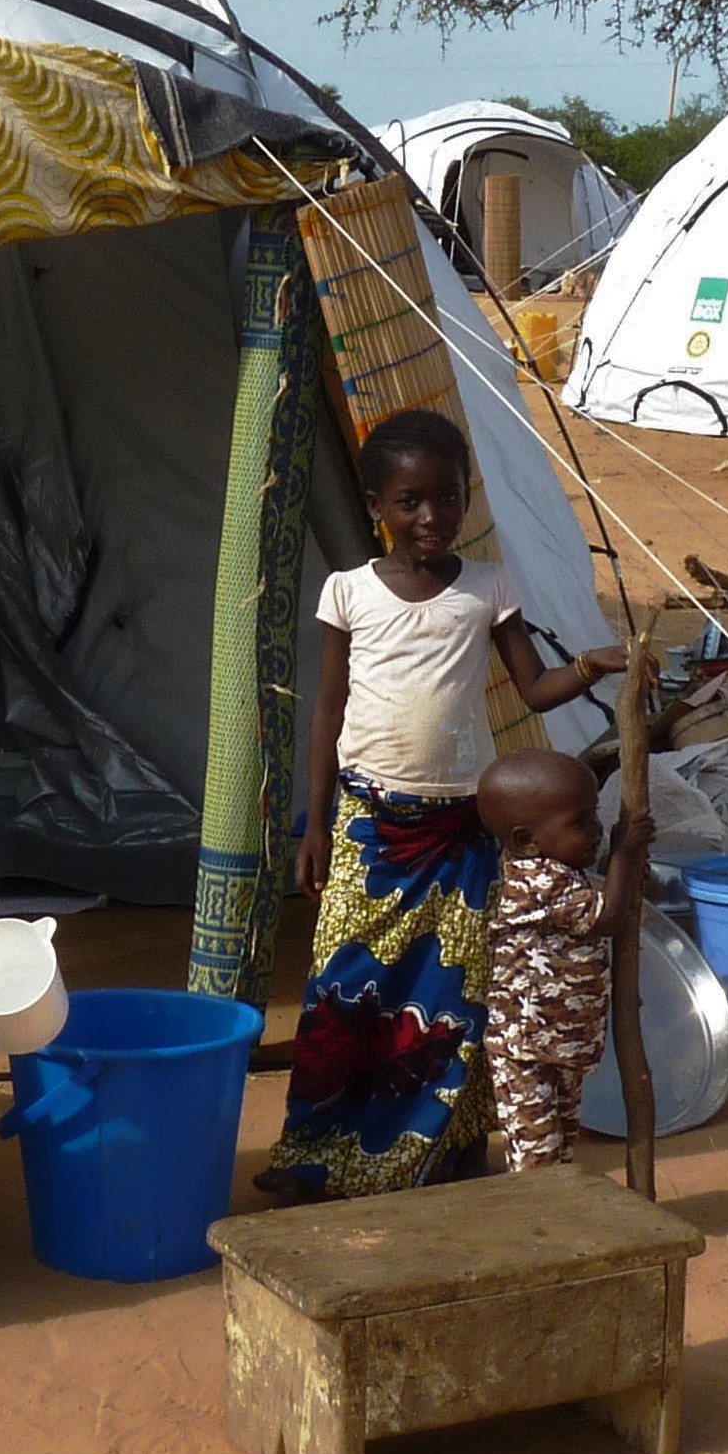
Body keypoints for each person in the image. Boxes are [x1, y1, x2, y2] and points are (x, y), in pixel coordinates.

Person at [260, 408, 629, 1198]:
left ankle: (443, 1147)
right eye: (410, 502)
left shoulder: (488, 587)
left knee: (456, 989)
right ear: (375, 507)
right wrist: (317, 821)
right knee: (342, 982)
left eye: (448, 498)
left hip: (461, 828)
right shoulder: (347, 592)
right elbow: (329, 709)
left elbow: (533, 686)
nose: (432, 518)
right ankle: (320, 1153)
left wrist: (594, 667)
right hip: (369, 822)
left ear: (467, 498)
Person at [474, 749, 650, 1172]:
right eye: (580, 822)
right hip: (528, 1052)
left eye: (593, 816)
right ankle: (539, 1229)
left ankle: (555, 1223)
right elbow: (607, 918)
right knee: (537, 1159)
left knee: (560, 1150)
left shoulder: (556, 868)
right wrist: (625, 852)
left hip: (560, 1044)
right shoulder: (539, 880)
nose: (596, 831)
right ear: (524, 840)